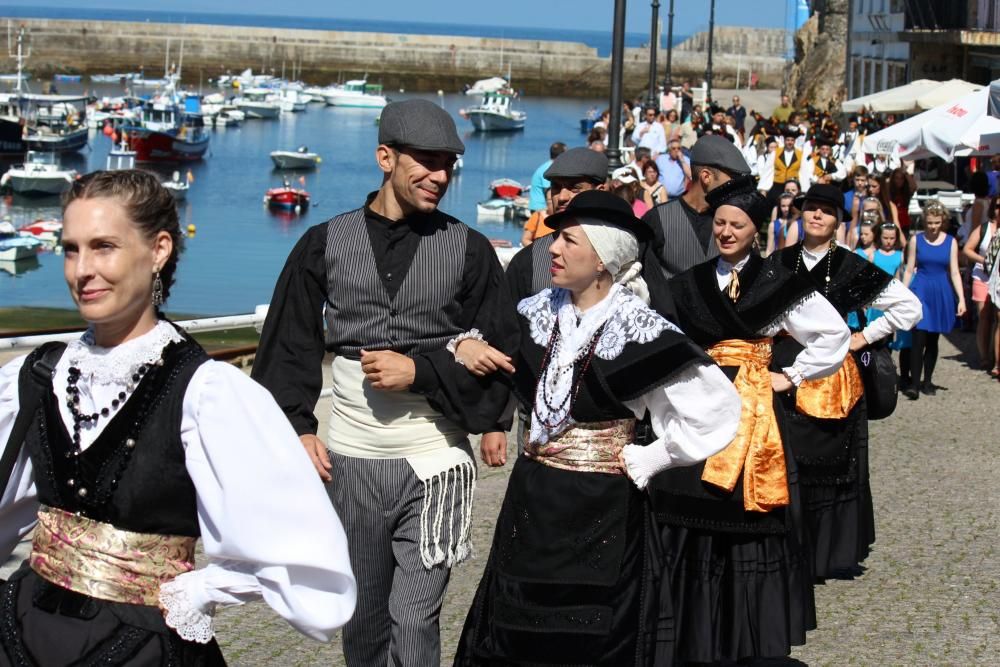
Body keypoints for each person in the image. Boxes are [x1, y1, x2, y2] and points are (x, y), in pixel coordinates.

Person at [0, 170, 357, 665]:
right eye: (71, 248)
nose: (82, 270)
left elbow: (304, 556)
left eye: (103, 246)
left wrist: (204, 587)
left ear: (160, 250)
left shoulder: (205, 394)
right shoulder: (37, 376)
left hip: (140, 646)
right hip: (23, 632)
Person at [251, 99, 519, 666]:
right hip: (349, 463)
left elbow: (502, 355)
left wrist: (424, 370)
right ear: (385, 158)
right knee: (365, 617)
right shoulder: (323, 243)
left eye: (448, 164)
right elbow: (289, 343)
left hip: (439, 464)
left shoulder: (470, 249)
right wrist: (297, 429)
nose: (440, 177)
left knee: (416, 618)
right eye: (426, 161)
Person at [453, 191, 742, 666]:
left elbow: (717, 407)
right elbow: (476, 337)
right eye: (555, 238)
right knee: (516, 618)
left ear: (604, 259)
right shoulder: (534, 313)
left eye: (568, 240)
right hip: (534, 495)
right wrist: (463, 345)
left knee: (591, 629)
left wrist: (656, 456)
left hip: (603, 503)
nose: (553, 248)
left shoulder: (640, 329)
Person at [660, 176, 851, 665]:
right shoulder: (688, 282)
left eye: (736, 225)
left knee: (750, 516)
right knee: (692, 507)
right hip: (700, 406)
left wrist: (792, 376)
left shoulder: (778, 282)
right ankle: (690, 631)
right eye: (719, 223)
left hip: (755, 409)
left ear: (755, 231)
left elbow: (832, 334)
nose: (725, 232)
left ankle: (745, 638)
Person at [772, 184, 922, 579]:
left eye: (825, 211)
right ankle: (786, 551)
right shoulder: (779, 262)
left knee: (829, 469)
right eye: (810, 209)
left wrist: (864, 336)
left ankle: (822, 555)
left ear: (839, 221)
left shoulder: (850, 267)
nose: (817, 216)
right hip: (782, 375)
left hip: (834, 378)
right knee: (786, 463)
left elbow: (910, 308)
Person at [642, 135, 751, 280]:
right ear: (706, 177)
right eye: (731, 181)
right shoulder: (658, 219)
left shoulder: (734, 222)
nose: (735, 188)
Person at [903, 200, 967, 399]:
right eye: (929, 222)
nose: (932, 227)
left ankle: (927, 380)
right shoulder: (916, 240)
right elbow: (908, 269)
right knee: (919, 336)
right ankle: (914, 384)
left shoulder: (951, 242)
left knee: (933, 339)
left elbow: (955, 272)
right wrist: (902, 295)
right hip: (920, 288)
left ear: (943, 222)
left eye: (936, 223)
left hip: (940, 290)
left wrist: (961, 299)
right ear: (924, 221)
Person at [963, 195, 1000, 371]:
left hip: (999, 279)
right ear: (993, 208)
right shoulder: (985, 228)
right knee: (985, 317)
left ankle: (995, 358)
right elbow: (967, 249)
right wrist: (984, 260)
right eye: (998, 206)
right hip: (983, 277)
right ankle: (985, 356)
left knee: (998, 318)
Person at [766, 192, 802, 256]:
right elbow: (769, 249)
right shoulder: (773, 225)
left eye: (789, 205)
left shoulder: (799, 223)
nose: (786, 209)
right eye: (783, 206)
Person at [888, 165, 917, 236]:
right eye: (896, 178)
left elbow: (914, 187)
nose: (899, 181)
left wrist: (906, 173)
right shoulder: (888, 191)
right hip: (891, 221)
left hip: (904, 223)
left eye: (901, 178)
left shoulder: (906, 191)